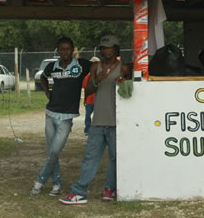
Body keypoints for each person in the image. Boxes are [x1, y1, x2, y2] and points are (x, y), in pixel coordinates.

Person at [59, 34, 131, 205]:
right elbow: (89, 90)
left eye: (109, 47)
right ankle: (80, 192)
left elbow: (130, 93)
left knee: (115, 158)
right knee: (90, 157)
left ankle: (110, 189)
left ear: (116, 49)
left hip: (117, 122)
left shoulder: (124, 68)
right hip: (98, 121)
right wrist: (97, 81)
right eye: (103, 48)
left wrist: (124, 83)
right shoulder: (95, 67)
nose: (106, 50)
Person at [30, 37, 90, 196]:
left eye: (68, 48)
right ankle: (56, 184)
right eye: (62, 49)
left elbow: (98, 67)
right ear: (58, 50)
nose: (65, 52)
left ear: (73, 50)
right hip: (50, 113)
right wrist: (47, 92)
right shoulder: (52, 66)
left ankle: (40, 181)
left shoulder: (81, 65)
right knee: (51, 151)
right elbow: (42, 77)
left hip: (67, 116)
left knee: (55, 151)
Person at [82, 56, 100, 134]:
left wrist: (85, 99)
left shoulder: (86, 77)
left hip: (89, 99)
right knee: (97, 115)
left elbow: (85, 89)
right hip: (97, 99)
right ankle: (95, 129)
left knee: (88, 115)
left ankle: (87, 129)